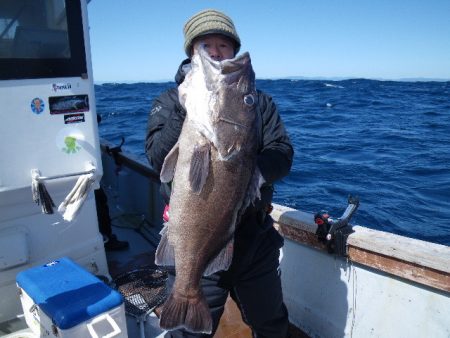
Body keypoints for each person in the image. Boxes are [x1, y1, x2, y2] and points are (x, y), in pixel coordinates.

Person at [145, 9, 294, 338]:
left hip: (254, 239)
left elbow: (282, 155)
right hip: (195, 240)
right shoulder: (170, 103)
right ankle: (186, 294)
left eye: (224, 46)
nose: (216, 52)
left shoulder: (256, 103)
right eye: (206, 45)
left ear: (234, 50)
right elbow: (158, 161)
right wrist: (186, 107)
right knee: (190, 333)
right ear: (192, 53)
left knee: (271, 323)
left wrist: (247, 168)